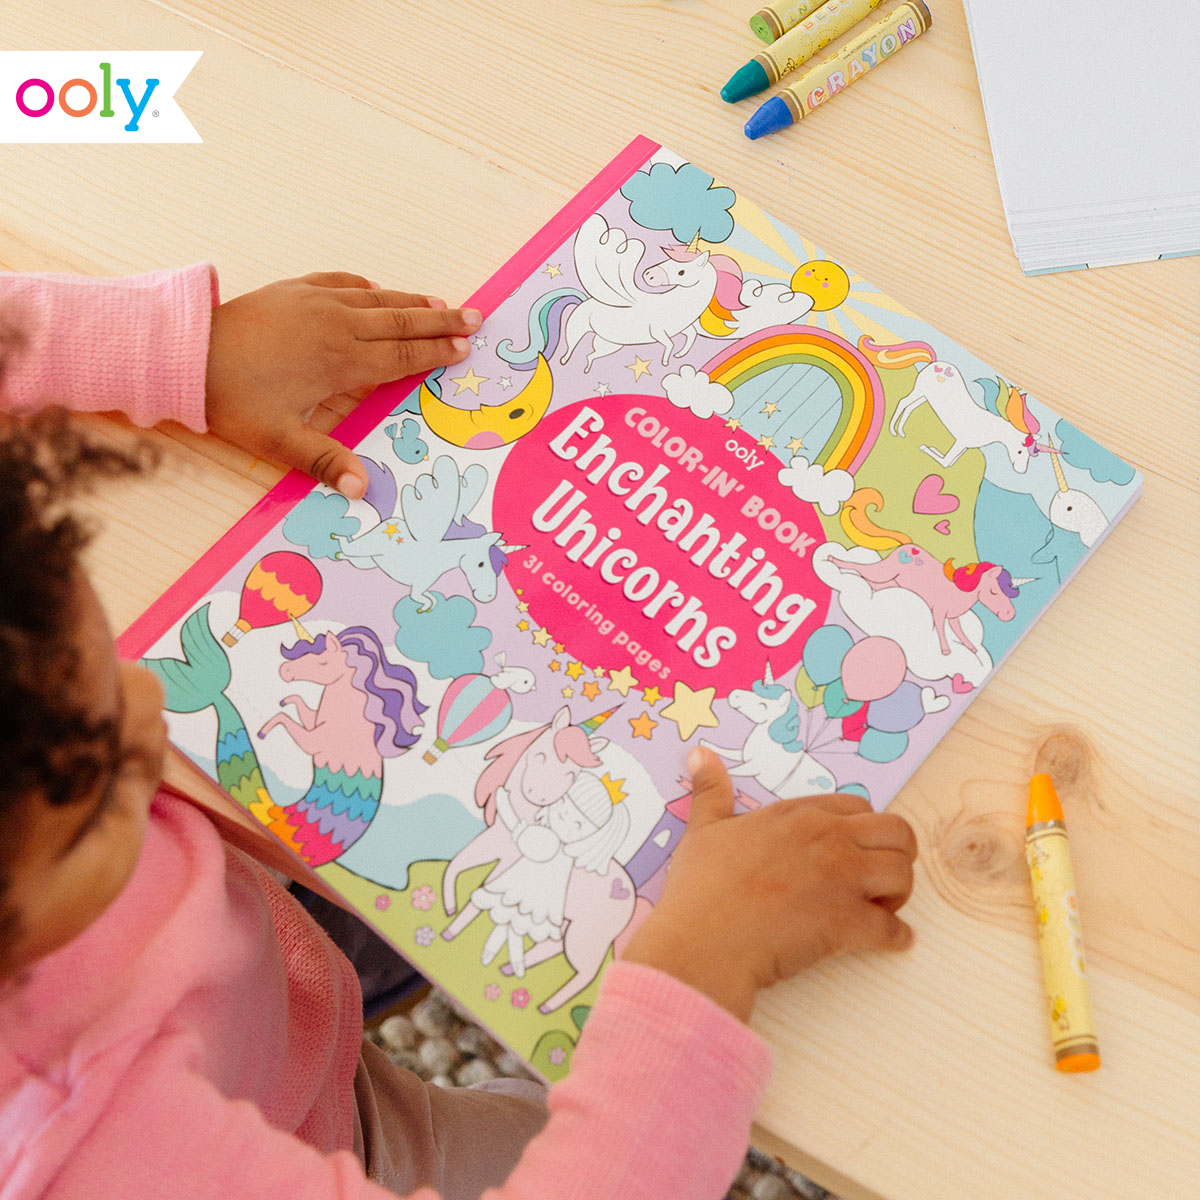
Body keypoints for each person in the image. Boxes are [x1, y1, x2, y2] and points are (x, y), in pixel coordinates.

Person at [0, 264, 919, 1200]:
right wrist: (700, 969)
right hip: (330, 1133)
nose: (149, 705)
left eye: (101, 662)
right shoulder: (96, 1157)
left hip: (268, 985)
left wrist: (181, 351)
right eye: (98, 792)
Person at [474, 773, 631, 977]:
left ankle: (507, 960)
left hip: (533, 893)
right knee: (510, 924)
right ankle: (507, 960)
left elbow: (516, 828)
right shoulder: (554, 842)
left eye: (578, 825)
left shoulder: (549, 842)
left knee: (513, 926)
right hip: (531, 888)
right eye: (563, 810)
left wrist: (503, 801)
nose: (564, 820)